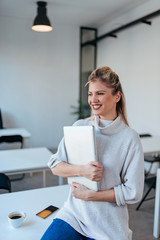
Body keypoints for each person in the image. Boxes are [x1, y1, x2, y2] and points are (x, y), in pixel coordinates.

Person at [41, 66, 144, 240]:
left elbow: (133, 192)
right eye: (90, 94)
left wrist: (93, 196)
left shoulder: (130, 139)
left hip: (107, 224)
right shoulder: (79, 127)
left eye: (100, 93)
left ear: (117, 96)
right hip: (74, 215)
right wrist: (82, 170)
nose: (93, 99)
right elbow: (55, 166)